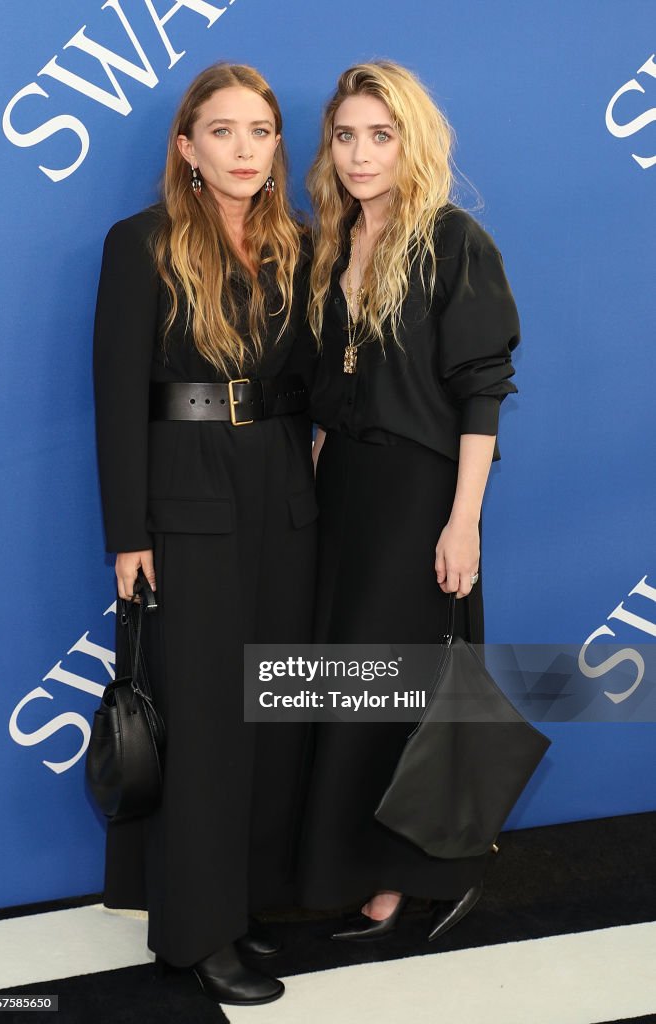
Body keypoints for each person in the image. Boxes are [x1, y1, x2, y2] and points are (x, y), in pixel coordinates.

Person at [92, 63, 318, 1006]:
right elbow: (113, 398)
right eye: (220, 131)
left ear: (276, 148)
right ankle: (194, 930)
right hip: (185, 501)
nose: (242, 149)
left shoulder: (298, 246)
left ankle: (246, 902)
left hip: (278, 492)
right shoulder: (139, 242)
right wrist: (128, 530)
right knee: (205, 720)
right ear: (186, 147)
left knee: (267, 706)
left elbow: (309, 384)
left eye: (259, 131)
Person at [296, 60, 521, 942]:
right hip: (343, 487)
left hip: (420, 493)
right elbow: (330, 392)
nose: (359, 154)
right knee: (347, 682)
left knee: (401, 686)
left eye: (379, 135)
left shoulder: (453, 241)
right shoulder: (330, 241)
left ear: (412, 140)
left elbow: (481, 392)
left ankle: (408, 876)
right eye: (345, 136)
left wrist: (462, 520)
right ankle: (355, 863)